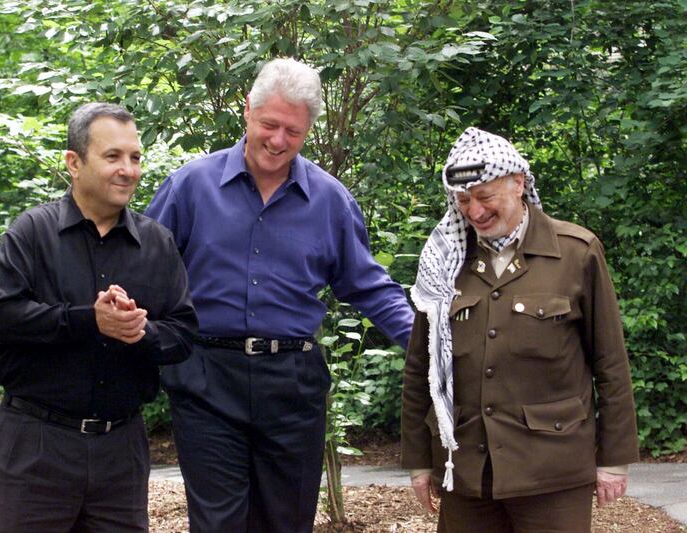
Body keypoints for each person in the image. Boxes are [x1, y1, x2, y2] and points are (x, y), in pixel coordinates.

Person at [144, 58, 415, 532]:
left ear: (308, 128)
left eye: (293, 131)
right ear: (246, 110)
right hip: (207, 378)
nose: (278, 140)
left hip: (293, 384)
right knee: (218, 524)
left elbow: (369, 286)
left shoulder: (330, 200)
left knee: (286, 523)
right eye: (269, 124)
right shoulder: (191, 186)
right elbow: (141, 268)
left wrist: (430, 344)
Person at [400, 127, 639, 533]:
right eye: (463, 200)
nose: (474, 211)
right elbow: (420, 368)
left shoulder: (575, 253)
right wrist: (420, 461)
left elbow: (610, 363)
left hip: (553, 472)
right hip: (467, 473)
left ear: (518, 184)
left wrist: (613, 461)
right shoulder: (445, 261)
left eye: (485, 197)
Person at [0, 102, 197, 532]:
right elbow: (3, 317)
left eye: (135, 157)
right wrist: (88, 320)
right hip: (37, 445)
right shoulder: (30, 233)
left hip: (121, 450)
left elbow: (184, 333)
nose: (128, 170)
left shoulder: (157, 244)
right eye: (113, 156)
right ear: (74, 162)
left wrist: (141, 331)